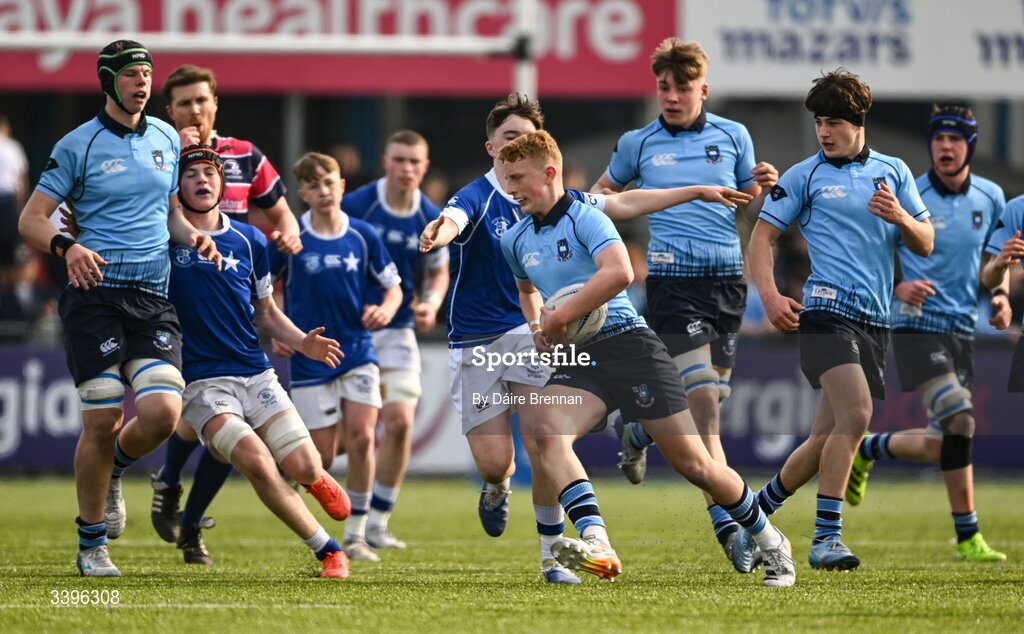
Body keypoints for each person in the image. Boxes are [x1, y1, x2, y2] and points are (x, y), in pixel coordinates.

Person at [419, 93, 753, 584]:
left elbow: (623, 202)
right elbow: (453, 219)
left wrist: (695, 190)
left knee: (545, 438)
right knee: (495, 463)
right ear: (491, 146)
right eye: (509, 137)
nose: (518, 144)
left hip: (534, 331)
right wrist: (439, 231)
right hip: (476, 342)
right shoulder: (477, 195)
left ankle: (555, 553)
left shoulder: (559, 199)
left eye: (526, 137)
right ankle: (497, 487)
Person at [498, 130, 796, 586]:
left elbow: (619, 272)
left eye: (517, 177)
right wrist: (541, 325)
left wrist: (561, 317)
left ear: (550, 172)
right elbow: (526, 290)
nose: (510, 187)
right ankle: (596, 540)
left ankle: (772, 541)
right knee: (545, 432)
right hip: (579, 359)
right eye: (505, 178)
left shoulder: (586, 215)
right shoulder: (514, 238)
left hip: (630, 346)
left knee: (695, 465)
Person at [17, 40, 221, 576]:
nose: (142, 83)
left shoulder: (164, 138)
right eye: (131, 74)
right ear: (108, 81)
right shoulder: (77, 145)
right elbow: (32, 219)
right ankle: (91, 546)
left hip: (152, 298)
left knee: (162, 413)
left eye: (146, 74)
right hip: (95, 300)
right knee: (103, 417)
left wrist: (193, 237)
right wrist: (69, 246)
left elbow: (172, 213)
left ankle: (114, 473)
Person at [590, 38, 778, 573]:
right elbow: (602, 200)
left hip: (726, 283)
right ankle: (732, 525)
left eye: (682, 88)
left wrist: (764, 185)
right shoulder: (638, 143)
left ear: (703, 90)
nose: (671, 96)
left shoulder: (733, 135)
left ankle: (639, 429)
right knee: (706, 406)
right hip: (673, 282)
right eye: (663, 88)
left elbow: (746, 203)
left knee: (708, 395)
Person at [747, 68, 933, 571]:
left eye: (832, 122)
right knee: (857, 417)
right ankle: (825, 538)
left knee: (822, 440)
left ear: (858, 122)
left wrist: (902, 218)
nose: (823, 131)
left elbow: (926, 241)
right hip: (826, 312)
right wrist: (769, 294)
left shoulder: (894, 172)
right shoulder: (803, 175)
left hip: (876, 321)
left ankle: (753, 518)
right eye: (818, 122)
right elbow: (762, 238)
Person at [170, 144, 351, 576]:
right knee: (254, 460)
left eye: (209, 173)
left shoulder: (250, 240)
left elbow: (266, 312)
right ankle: (328, 551)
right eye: (191, 173)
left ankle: (313, 476)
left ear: (223, 184)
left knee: (306, 464)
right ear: (176, 188)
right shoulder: (164, 238)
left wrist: (302, 342)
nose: (201, 179)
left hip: (255, 373)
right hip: (201, 383)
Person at [846, 106, 1008, 563]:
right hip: (916, 325)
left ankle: (869, 447)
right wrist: (898, 284)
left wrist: (1000, 297)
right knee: (960, 419)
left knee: (948, 439)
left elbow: (996, 263)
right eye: (938, 139)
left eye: (955, 139)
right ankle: (968, 535)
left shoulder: (990, 197)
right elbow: (871, 251)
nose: (946, 146)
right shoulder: (909, 191)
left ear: (969, 147)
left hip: (962, 330)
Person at [149, 65, 302, 548]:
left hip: (235, 296)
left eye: (202, 100)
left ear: (216, 103)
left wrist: (291, 235)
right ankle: (170, 483)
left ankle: (187, 517)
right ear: (169, 111)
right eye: (184, 103)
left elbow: (281, 215)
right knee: (195, 415)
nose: (195, 110)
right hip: (181, 294)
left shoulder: (246, 156)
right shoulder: (157, 153)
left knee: (224, 424)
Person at [273, 152, 403, 562]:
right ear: (302, 194)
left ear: (342, 185)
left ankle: (356, 534)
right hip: (311, 358)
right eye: (312, 185)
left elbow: (393, 286)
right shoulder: (293, 239)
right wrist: (281, 330)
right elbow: (265, 290)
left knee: (364, 437)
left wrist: (386, 308)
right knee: (321, 457)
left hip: (358, 350)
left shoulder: (363, 235)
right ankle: (289, 488)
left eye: (328, 182)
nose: (323, 191)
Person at [341, 130, 448, 549]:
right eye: (399, 160)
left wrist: (431, 303)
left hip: (399, 329)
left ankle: (377, 523)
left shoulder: (432, 216)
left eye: (414, 162)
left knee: (400, 423)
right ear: (386, 162)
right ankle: (333, 511)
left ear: (424, 167)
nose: (406, 168)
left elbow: (439, 269)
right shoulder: (356, 206)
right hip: (350, 330)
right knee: (340, 438)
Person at [0, 113, 28, 268]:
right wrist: (21, 206)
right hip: (7, 202)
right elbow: (21, 178)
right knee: (9, 254)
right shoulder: (12, 146)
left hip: (6, 200)